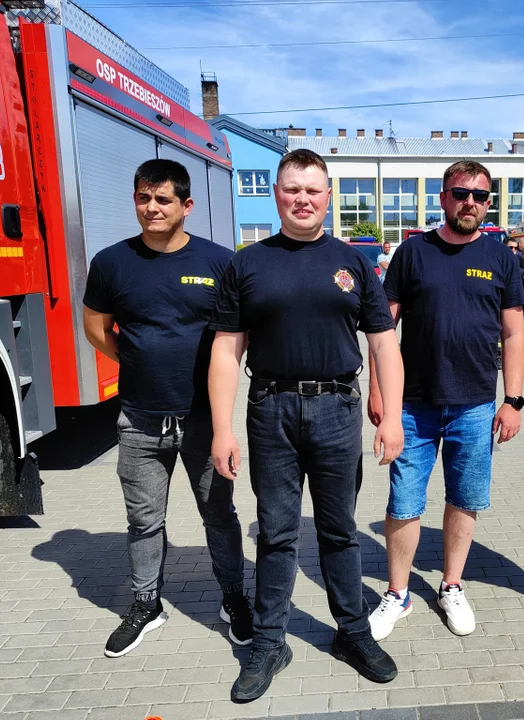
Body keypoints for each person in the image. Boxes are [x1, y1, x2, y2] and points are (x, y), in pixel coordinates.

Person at [207, 149, 405, 701]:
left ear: (328, 197)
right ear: (276, 193)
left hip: (339, 410)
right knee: (276, 532)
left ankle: (352, 632)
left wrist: (391, 415)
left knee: (339, 529)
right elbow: (227, 351)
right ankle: (269, 642)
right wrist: (223, 429)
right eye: (292, 189)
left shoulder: (354, 262)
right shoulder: (247, 264)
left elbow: (384, 344)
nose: (302, 199)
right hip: (270, 410)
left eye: (313, 191)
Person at [82, 159, 251, 659]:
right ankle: (145, 604)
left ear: (186, 205)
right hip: (139, 420)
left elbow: (237, 337)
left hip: (204, 420)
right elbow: (96, 327)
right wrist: (135, 360)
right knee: (143, 521)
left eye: (162, 199)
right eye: (142, 198)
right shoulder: (112, 263)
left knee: (219, 515)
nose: (151, 208)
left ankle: (233, 597)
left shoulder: (220, 263)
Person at [365, 160, 524, 642]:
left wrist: (513, 400)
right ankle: (398, 593)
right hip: (412, 405)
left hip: (476, 404)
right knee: (404, 500)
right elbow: (382, 329)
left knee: (465, 498)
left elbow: (515, 333)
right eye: (461, 193)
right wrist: (379, 393)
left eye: (479, 195)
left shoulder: (502, 258)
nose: (470, 202)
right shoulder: (414, 252)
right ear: (443, 197)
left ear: (489, 202)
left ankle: (451, 585)